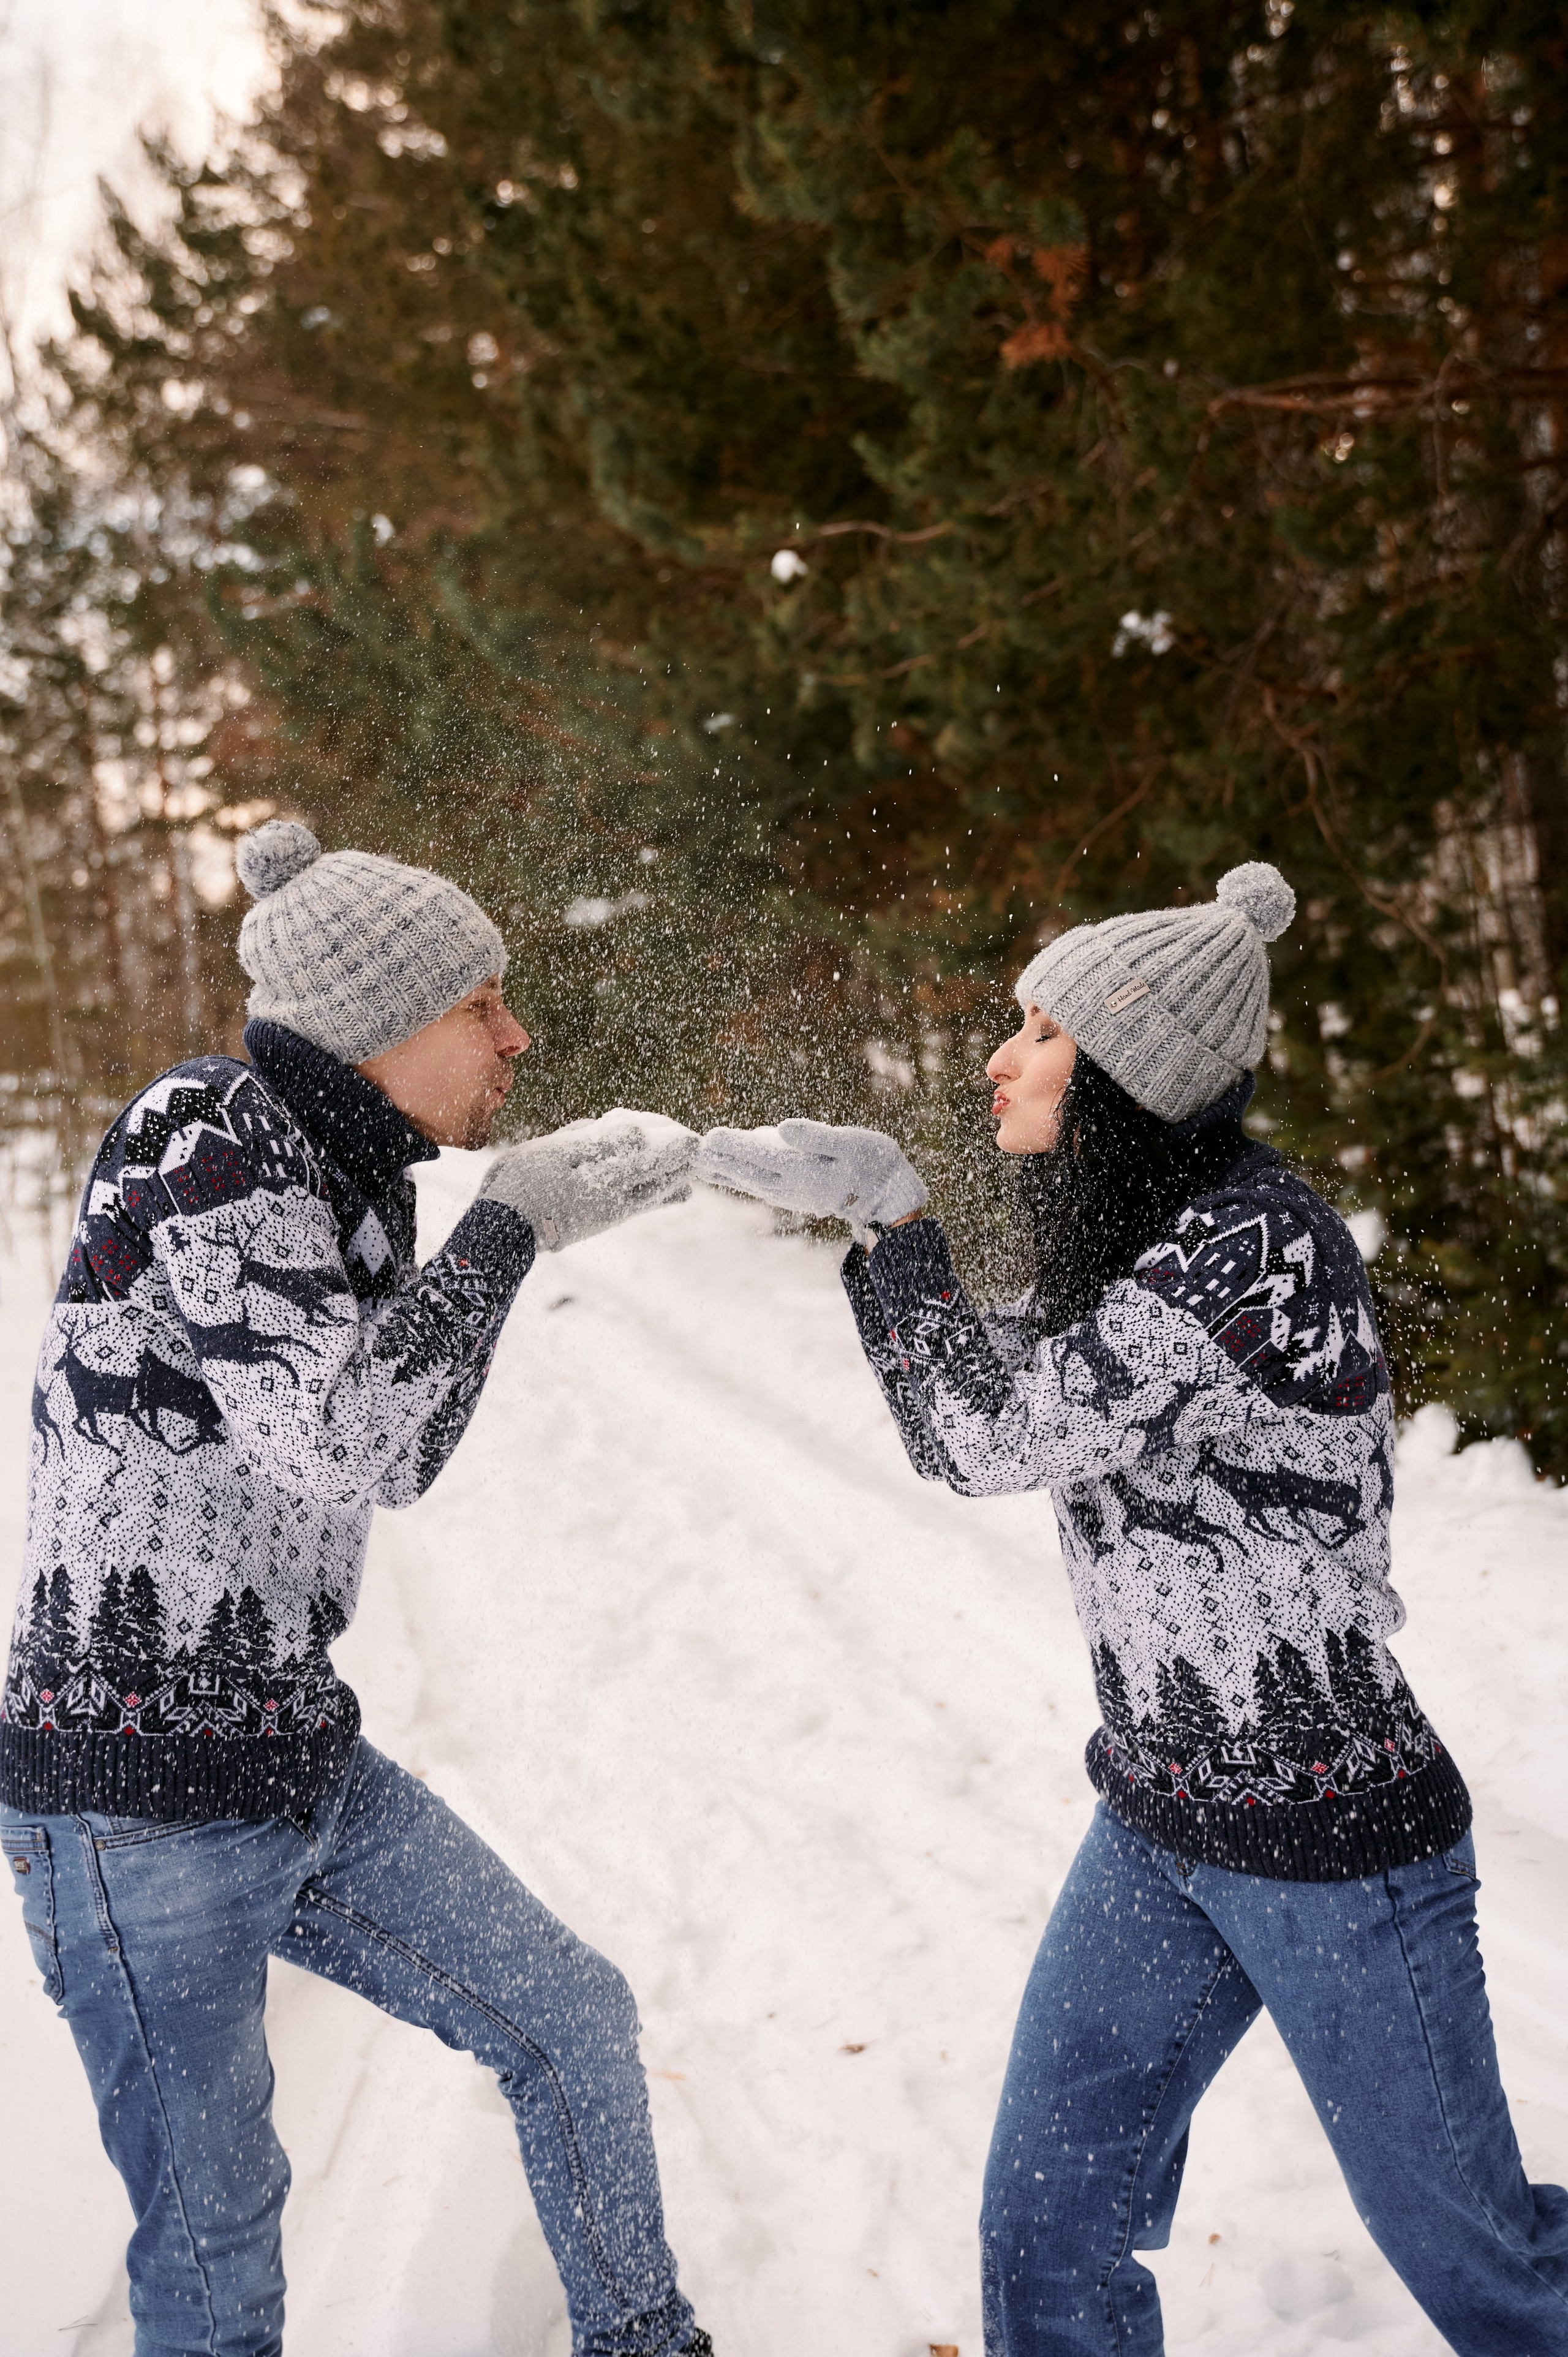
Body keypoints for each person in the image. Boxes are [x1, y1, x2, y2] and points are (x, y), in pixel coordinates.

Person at [696, 860, 1568, 2356]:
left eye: (1038, 1031)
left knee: (1487, 2267)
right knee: (1046, 2231)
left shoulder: (1255, 1249)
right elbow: (1013, 1386)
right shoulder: (1152, 1247)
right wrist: (880, 1227)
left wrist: (893, 1217)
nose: (999, 1057)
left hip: (1330, 1840)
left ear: (1128, 1072)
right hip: (1161, 1825)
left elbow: (983, 1433)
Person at [1, 820, 710, 2357]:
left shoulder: (357, 1181)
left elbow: (400, 1442)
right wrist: (518, 1221)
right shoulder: (207, 1134)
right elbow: (347, 1439)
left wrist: (551, 1209)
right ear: (378, 1024)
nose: (515, 1035)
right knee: (219, 2241)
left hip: (293, 1764)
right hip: (130, 1810)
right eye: (481, 1006)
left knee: (569, 2022)